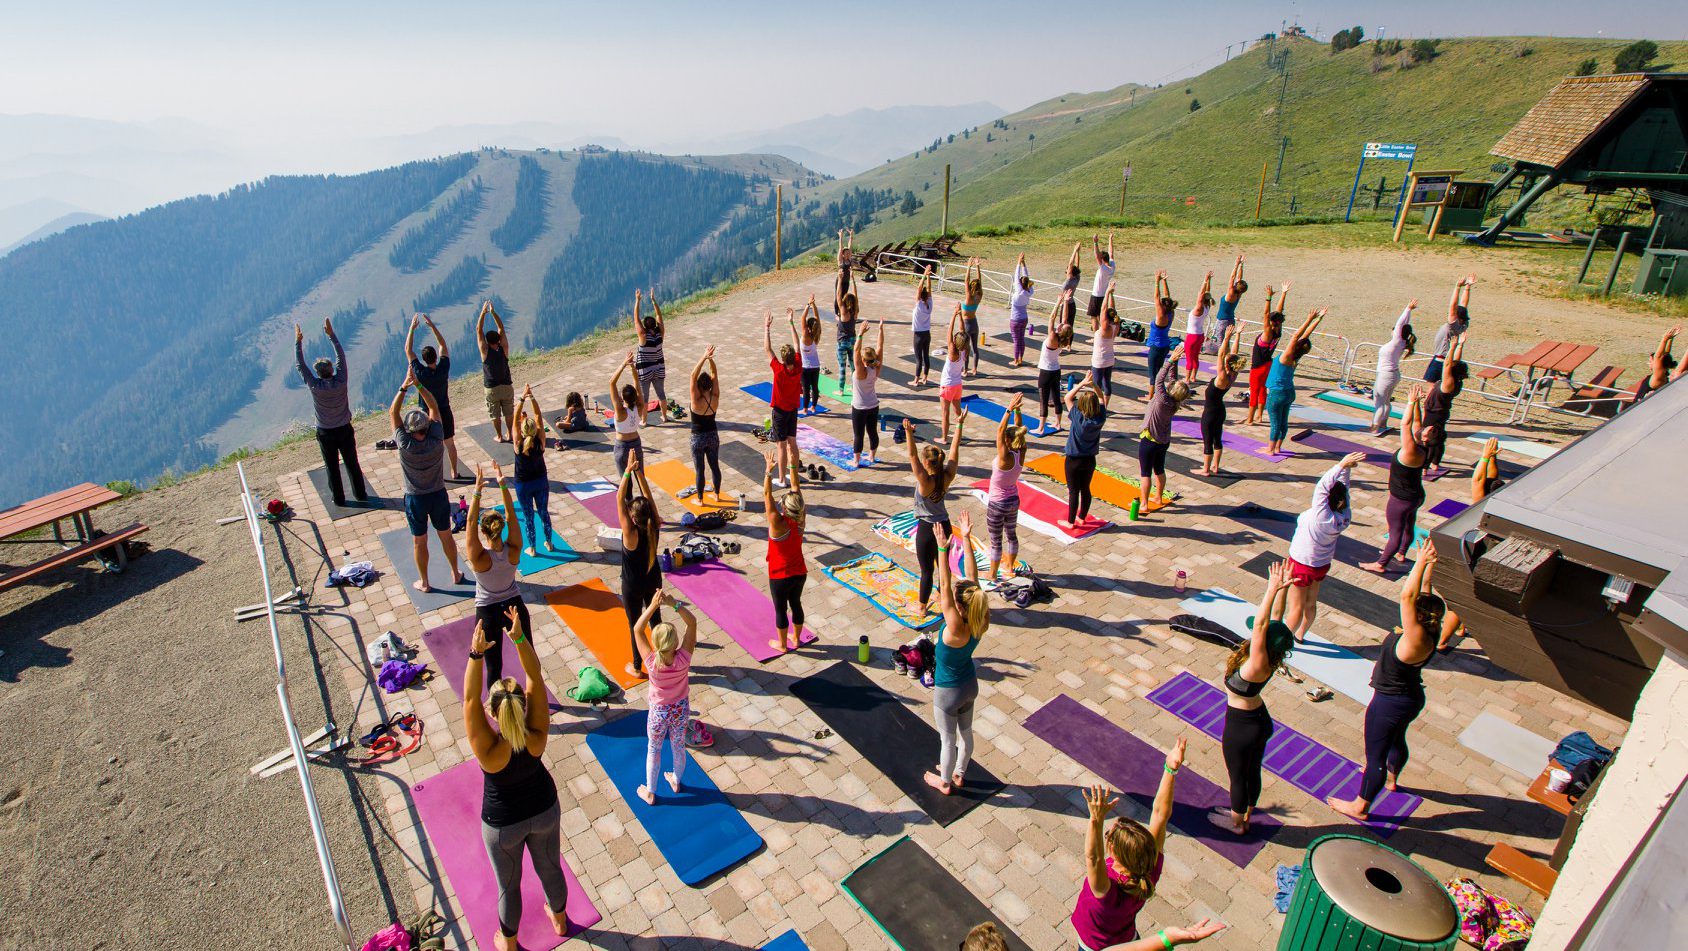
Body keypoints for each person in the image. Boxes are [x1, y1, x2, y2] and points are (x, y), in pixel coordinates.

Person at [463, 609, 570, 949]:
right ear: (523, 706)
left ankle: (509, 942)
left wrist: (476, 654)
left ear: (491, 713)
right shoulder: (537, 733)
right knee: (551, 867)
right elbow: (534, 675)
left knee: (508, 885)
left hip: (502, 824)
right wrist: (520, 638)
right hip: (544, 809)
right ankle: (561, 919)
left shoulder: (488, 749)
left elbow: (468, 699)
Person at [1072, 740, 1228, 951]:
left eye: (1108, 836)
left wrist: (1095, 820)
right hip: (1129, 940)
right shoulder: (1148, 869)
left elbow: (1094, 858)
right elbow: (1160, 814)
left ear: (1118, 855)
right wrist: (1170, 770)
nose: (1107, 835)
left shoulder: (1107, 890)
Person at [1328, 541, 1444, 821]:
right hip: (1409, 697)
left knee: (1374, 758)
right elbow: (1421, 591)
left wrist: (1416, 564)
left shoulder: (1415, 637)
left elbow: (1407, 595)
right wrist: (1427, 563)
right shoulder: (1431, 628)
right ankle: (1392, 780)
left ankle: (1361, 805)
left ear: (1417, 615)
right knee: (1396, 740)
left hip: (1390, 702)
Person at [1217, 562, 1295, 834]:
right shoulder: (1271, 656)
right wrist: (1281, 590)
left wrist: (1270, 587)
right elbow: (1274, 620)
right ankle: (1247, 811)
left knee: (1238, 777)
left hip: (1242, 728)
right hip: (1259, 720)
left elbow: (1262, 624)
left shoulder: (1256, 664)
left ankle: (1238, 824)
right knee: (1253, 771)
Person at [924, 510, 990, 795]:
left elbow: (946, 582)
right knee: (966, 734)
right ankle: (959, 773)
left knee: (947, 740)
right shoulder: (979, 617)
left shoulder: (954, 626)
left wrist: (942, 548)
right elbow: (972, 582)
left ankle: (946, 782)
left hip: (948, 691)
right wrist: (964, 538)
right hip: (969, 686)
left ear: (958, 607)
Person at [390, 370, 464, 593]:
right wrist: (419, 386)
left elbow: (393, 412)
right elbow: (434, 408)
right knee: (446, 536)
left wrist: (405, 386)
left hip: (415, 499)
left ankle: (424, 582)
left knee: (419, 541)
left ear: (410, 430)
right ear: (427, 427)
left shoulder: (404, 444)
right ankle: (455, 572)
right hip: (438, 495)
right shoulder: (436, 438)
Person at [1284, 454, 1365, 642]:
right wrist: (1346, 469)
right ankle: (1300, 635)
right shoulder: (1344, 514)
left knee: (1295, 607)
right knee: (1310, 603)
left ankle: (1281, 643)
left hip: (1302, 564)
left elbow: (1322, 486)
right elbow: (1344, 490)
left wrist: (1340, 465)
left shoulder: (1322, 515)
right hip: (1321, 564)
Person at [632, 590, 698, 805]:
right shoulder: (684, 658)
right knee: (678, 746)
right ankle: (676, 780)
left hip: (659, 713)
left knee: (654, 749)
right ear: (676, 641)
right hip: (680, 709)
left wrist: (652, 605)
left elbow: (637, 629)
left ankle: (651, 792)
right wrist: (672, 604)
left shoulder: (651, 662)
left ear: (656, 644)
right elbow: (693, 622)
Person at [466, 462, 529, 685]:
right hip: (514, 607)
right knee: (529, 659)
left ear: (484, 532)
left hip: (488, 611)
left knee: (494, 667)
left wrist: (477, 491)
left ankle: (496, 707)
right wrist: (503, 485)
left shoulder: (479, 558)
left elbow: (470, 521)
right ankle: (536, 696)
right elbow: (513, 516)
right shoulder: (513, 550)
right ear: (500, 527)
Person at [295, 317, 367, 506]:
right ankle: (361, 494)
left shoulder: (315, 386)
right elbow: (341, 358)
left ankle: (339, 498)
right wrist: (332, 335)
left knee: (332, 466)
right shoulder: (341, 381)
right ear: (331, 371)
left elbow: (300, 366)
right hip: (344, 428)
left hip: (325, 431)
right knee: (352, 462)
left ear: (318, 373)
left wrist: (298, 342)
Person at [1362, 386, 1430, 574]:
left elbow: (1405, 424)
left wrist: (1409, 402)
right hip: (1415, 496)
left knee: (1395, 532)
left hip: (1400, 499)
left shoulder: (1410, 450)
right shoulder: (1422, 446)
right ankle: (1401, 553)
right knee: (1409, 525)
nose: (1422, 429)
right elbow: (1416, 422)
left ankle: (1381, 564)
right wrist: (1416, 402)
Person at [904, 413, 964, 615]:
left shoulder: (925, 481)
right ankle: (942, 595)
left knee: (926, 570)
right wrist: (959, 425)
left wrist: (908, 434)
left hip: (928, 530)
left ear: (927, 463)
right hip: (945, 525)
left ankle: (921, 607)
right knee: (944, 566)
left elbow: (912, 456)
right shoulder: (947, 476)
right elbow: (954, 452)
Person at [407, 312, 470, 481]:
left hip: (427, 413)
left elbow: (408, 351)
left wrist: (412, 329)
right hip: (444, 409)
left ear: (424, 359)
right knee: (449, 443)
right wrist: (433, 326)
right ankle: (454, 472)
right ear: (435, 357)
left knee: (427, 445)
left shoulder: (420, 373)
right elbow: (443, 345)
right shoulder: (443, 369)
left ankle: (430, 475)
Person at [617, 450, 664, 679]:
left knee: (634, 625)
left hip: (632, 585)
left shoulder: (630, 533)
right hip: (653, 579)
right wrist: (638, 474)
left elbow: (618, 499)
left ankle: (637, 666)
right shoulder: (654, 525)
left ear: (632, 518)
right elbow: (648, 498)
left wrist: (627, 471)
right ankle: (664, 658)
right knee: (656, 620)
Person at [763, 450, 809, 653]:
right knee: (796, 604)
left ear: (784, 508)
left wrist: (768, 472)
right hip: (800, 572)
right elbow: (796, 489)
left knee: (780, 609)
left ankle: (782, 644)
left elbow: (767, 495)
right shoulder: (801, 518)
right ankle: (797, 639)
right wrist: (792, 465)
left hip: (780, 574)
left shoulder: (777, 522)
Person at [1265, 308, 1326, 456]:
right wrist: (1318, 320)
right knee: (1283, 422)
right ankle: (1278, 447)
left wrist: (1309, 319)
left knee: (1275, 423)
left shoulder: (1286, 356)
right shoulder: (1296, 357)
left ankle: (1270, 450)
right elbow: (1304, 337)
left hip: (1276, 393)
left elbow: (1297, 335)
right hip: (1289, 392)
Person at [1138, 344, 1192, 510]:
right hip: (1163, 441)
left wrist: (1170, 361)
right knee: (1159, 470)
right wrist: (1175, 362)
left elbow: (1159, 379)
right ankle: (1158, 498)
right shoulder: (1174, 402)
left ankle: (1144, 504)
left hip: (1149, 441)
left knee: (1145, 473)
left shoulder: (1161, 397)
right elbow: (1172, 380)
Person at [985, 394, 1028, 583]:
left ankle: (993, 574)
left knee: (996, 540)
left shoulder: (1004, 457)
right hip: (1013, 500)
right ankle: (1010, 566)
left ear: (1008, 441)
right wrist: (1018, 410)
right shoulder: (1021, 452)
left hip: (997, 503)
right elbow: (1018, 430)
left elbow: (1000, 430)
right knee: (1011, 534)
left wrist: (1009, 409)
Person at [511, 385, 557, 557]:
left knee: (528, 517)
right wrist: (532, 397)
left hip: (523, 485)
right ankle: (550, 543)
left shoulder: (518, 444)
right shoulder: (541, 441)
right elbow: (538, 416)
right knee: (544, 513)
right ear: (536, 430)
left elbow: (515, 417)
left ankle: (533, 548)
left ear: (522, 431)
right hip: (540, 482)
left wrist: (522, 398)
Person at [1062, 373, 1108, 529]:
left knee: (1073, 491)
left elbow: (1067, 398)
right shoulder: (1100, 418)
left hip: (1073, 460)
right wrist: (1094, 385)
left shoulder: (1077, 416)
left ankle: (1070, 522)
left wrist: (1081, 383)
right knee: (1085, 489)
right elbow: (1102, 398)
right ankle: (1081, 517)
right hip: (1089, 459)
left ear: (1081, 404)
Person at [765, 308, 805, 485]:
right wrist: (791, 322)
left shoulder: (779, 369)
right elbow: (797, 345)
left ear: (782, 358)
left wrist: (766, 327)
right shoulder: (798, 365)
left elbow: (767, 348)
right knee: (793, 443)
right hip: (793, 410)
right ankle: (793, 475)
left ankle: (781, 479)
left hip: (780, 412)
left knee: (781, 445)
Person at [1420, 333, 1467, 474]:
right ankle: (1435, 464)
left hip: (1433, 414)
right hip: (1440, 413)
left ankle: (1424, 467)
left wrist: (1452, 347)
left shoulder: (1448, 383)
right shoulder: (1456, 381)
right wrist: (1460, 345)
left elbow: (1447, 364)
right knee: (1439, 438)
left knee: (1428, 439)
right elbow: (1454, 363)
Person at [1370, 300, 1418, 436]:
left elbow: (1400, 324)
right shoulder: (1403, 342)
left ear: (1398, 332)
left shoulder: (1397, 341)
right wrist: (1409, 311)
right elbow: (1404, 325)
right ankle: (1383, 424)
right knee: (1385, 401)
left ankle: (1374, 427)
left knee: (1379, 402)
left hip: (1385, 375)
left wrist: (1408, 308)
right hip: (1393, 375)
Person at [1199, 328, 1241, 477]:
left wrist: (1227, 337)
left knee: (1208, 440)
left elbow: (1221, 354)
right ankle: (1215, 466)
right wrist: (1237, 336)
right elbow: (1233, 355)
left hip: (1210, 412)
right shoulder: (1233, 374)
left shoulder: (1222, 375)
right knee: (1217, 439)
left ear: (1226, 363)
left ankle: (1206, 469)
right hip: (1220, 411)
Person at [1244, 285, 1288, 427]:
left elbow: (1266, 314)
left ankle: (1250, 419)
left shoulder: (1268, 332)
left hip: (1257, 367)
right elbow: (1279, 312)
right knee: (1263, 389)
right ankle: (1260, 416)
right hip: (1268, 364)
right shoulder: (1278, 330)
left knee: (1254, 391)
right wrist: (1283, 294)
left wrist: (1268, 298)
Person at [1036, 292, 1076, 436]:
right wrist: (1066, 302)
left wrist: (1058, 302)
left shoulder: (1053, 337)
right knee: (1056, 397)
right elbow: (1064, 320)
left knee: (1044, 399)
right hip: (1056, 371)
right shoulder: (1063, 339)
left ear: (1060, 330)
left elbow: (1052, 318)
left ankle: (1041, 427)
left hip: (1046, 372)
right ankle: (1058, 423)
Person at [477, 300, 516, 442]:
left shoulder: (485, 351)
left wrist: (483, 313)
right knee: (508, 411)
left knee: (495, 414)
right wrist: (493, 312)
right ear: (498, 340)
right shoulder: (504, 348)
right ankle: (510, 434)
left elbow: (478, 330)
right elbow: (501, 328)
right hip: (506, 385)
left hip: (491, 387)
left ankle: (499, 436)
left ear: (487, 341)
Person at [689, 345, 724, 503]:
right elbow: (715, 375)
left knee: (700, 470)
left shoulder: (696, 401)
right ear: (709, 385)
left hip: (697, 438)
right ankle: (716, 495)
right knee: (714, 466)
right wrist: (711, 360)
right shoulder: (715, 397)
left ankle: (701, 499)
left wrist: (703, 357)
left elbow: (692, 376)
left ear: (698, 386)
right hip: (712, 436)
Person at [1422, 275, 1472, 383]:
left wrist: (1457, 287)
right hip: (1447, 360)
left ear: (1458, 318)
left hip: (1440, 360)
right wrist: (1467, 287)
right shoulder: (1463, 325)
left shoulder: (1453, 326)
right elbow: (1463, 306)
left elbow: (1453, 307)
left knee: (1431, 387)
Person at [851, 316, 886, 467]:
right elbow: (880, 346)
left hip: (859, 407)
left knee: (858, 435)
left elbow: (856, 350)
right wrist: (880, 329)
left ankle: (856, 461)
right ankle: (871, 457)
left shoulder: (860, 372)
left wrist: (860, 333)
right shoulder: (875, 368)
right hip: (873, 405)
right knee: (872, 432)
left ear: (863, 361)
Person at [634, 289, 668, 425]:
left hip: (645, 372)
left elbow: (636, 319)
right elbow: (659, 316)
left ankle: (644, 420)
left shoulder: (643, 336)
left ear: (645, 327)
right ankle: (664, 417)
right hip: (659, 368)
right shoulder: (660, 334)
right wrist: (654, 300)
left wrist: (637, 301)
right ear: (655, 325)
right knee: (661, 394)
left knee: (644, 397)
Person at [609, 353, 643, 476]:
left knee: (625, 480)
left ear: (622, 398)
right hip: (636, 443)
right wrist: (633, 368)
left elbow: (612, 383)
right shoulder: (640, 406)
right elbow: (637, 382)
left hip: (622, 446)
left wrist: (624, 364)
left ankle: (628, 496)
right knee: (641, 477)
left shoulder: (620, 411)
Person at [1631, 324, 1682, 407]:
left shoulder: (1658, 377)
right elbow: (1665, 355)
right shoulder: (1664, 373)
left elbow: (1658, 357)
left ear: (1658, 364)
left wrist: (1664, 339)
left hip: (1640, 411)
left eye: (1651, 361)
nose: (1649, 362)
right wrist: (1670, 339)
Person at [939, 304, 969, 442]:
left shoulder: (953, 351)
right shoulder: (964, 351)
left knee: (945, 413)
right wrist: (960, 315)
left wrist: (954, 315)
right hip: (957, 386)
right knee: (958, 412)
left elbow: (949, 333)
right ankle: (959, 435)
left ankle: (944, 438)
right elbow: (963, 331)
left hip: (947, 386)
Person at [1204, 255, 1245, 354]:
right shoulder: (1239, 293)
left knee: (1220, 345)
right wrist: (1241, 265)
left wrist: (1236, 265)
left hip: (1222, 321)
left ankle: (1223, 362)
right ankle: (1227, 358)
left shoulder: (1231, 293)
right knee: (1226, 343)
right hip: (1230, 319)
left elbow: (1232, 278)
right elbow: (1239, 278)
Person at [835, 230, 861, 382]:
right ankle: (838, 314)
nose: (846, 253)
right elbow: (841, 249)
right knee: (838, 301)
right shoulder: (841, 261)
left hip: (844, 283)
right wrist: (840, 238)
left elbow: (850, 248)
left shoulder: (849, 259)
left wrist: (851, 236)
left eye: (847, 252)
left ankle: (840, 315)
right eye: (845, 252)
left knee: (841, 300)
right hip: (841, 283)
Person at [1144, 270, 1177, 388]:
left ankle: (1151, 395)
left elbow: (1156, 298)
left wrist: (1156, 282)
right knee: (1159, 371)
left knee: (1153, 373)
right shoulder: (1171, 313)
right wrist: (1164, 281)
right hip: (1164, 346)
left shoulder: (1161, 316)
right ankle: (1158, 391)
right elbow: (1167, 297)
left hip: (1156, 347)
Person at [1090, 282, 1121, 404]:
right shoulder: (1115, 325)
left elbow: (1103, 309)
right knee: (1107, 382)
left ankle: (1097, 405)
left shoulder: (1104, 328)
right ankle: (1105, 406)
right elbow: (1112, 311)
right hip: (1109, 359)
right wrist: (1111, 295)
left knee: (1096, 384)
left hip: (1099, 360)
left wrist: (1107, 292)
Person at [1183, 270, 1213, 383]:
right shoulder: (1207, 306)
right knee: (1195, 357)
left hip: (1192, 336)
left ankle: (1187, 379)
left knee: (1189, 358)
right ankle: (1193, 377)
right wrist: (1209, 280)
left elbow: (1201, 295)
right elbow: (1206, 293)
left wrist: (1205, 280)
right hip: (1200, 335)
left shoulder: (1199, 308)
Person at [799, 297, 825, 415]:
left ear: (808, 327)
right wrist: (813, 305)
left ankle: (804, 409)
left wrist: (808, 304)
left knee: (806, 389)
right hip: (815, 366)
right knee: (815, 387)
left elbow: (802, 318)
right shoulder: (816, 336)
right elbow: (817, 320)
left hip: (805, 367)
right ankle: (813, 407)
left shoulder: (805, 336)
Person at [1009, 253, 1035, 367]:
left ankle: (1015, 360)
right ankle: (1020, 359)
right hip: (1024, 319)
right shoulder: (1029, 292)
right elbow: (1026, 278)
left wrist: (1019, 263)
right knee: (1021, 339)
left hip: (1015, 319)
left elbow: (1016, 275)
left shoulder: (1018, 292)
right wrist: (1023, 263)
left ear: (1020, 283)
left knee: (1016, 340)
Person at [912, 265, 936, 386]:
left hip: (918, 335)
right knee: (926, 356)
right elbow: (929, 288)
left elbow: (919, 288)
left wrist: (924, 274)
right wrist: (928, 276)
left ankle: (916, 380)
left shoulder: (919, 304)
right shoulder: (929, 304)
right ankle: (925, 378)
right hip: (927, 333)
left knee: (918, 358)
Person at [962, 257, 986, 376]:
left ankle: (965, 370)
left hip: (966, 324)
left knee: (966, 348)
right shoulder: (979, 295)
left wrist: (968, 266)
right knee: (975, 348)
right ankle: (975, 369)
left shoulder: (968, 298)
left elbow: (966, 281)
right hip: (974, 323)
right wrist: (977, 266)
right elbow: (979, 281)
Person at [1087, 232, 1116, 326]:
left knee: (1094, 317)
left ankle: (1096, 336)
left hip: (1096, 295)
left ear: (1103, 260)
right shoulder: (1112, 266)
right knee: (1101, 315)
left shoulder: (1103, 268)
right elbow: (1111, 253)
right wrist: (1110, 239)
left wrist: (1095, 242)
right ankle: (1102, 332)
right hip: (1104, 295)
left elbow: (1097, 256)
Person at [1061, 241, 1084, 326]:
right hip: (1072, 305)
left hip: (1066, 305)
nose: (1067, 270)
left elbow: (1071, 264)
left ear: (1070, 273)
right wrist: (1078, 252)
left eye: (1068, 270)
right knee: (1069, 327)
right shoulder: (1077, 278)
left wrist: (1074, 251)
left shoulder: (1069, 280)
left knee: (1063, 327)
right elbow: (1077, 265)